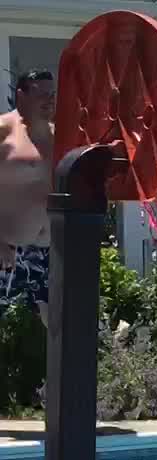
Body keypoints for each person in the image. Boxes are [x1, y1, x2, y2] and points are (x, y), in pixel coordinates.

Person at [0, 69, 55, 325]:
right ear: (21, 95)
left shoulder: (61, 135)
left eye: (51, 94)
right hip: (9, 252)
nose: (49, 99)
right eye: (41, 93)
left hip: (52, 253)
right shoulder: (4, 131)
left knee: (64, 331)